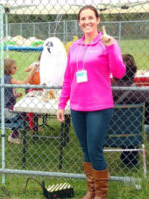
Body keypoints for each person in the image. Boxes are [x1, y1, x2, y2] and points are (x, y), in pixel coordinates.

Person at [56, 5, 126, 199]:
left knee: (95, 150)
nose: (87, 22)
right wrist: (62, 104)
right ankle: (92, 190)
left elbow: (120, 73)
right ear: (79, 22)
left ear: (98, 20)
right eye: (83, 19)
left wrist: (110, 47)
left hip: (100, 107)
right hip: (78, 107)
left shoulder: (107, 42)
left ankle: (101, 194)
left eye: (90, 18)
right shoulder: (75, 47)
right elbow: (69, 77)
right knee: (86, 150)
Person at [112, 53, 149, 167]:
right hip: (134, 133)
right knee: (139, 124)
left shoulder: (106, 91)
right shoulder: (143, 93)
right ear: (134, 72)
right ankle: (131, 158)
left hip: (108, 133)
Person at [4, 58, 36, 144]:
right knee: (23, 112)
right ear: (8, 68)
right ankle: (13, 135)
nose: (16, 69)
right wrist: (33, 70)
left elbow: (7, 92)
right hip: (8, 106)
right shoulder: (8, 79)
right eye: (14, 68)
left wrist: (15, 95)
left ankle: (28, 127)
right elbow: (24, 83)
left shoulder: (7, 78)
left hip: (9, 103)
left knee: (24, 112)